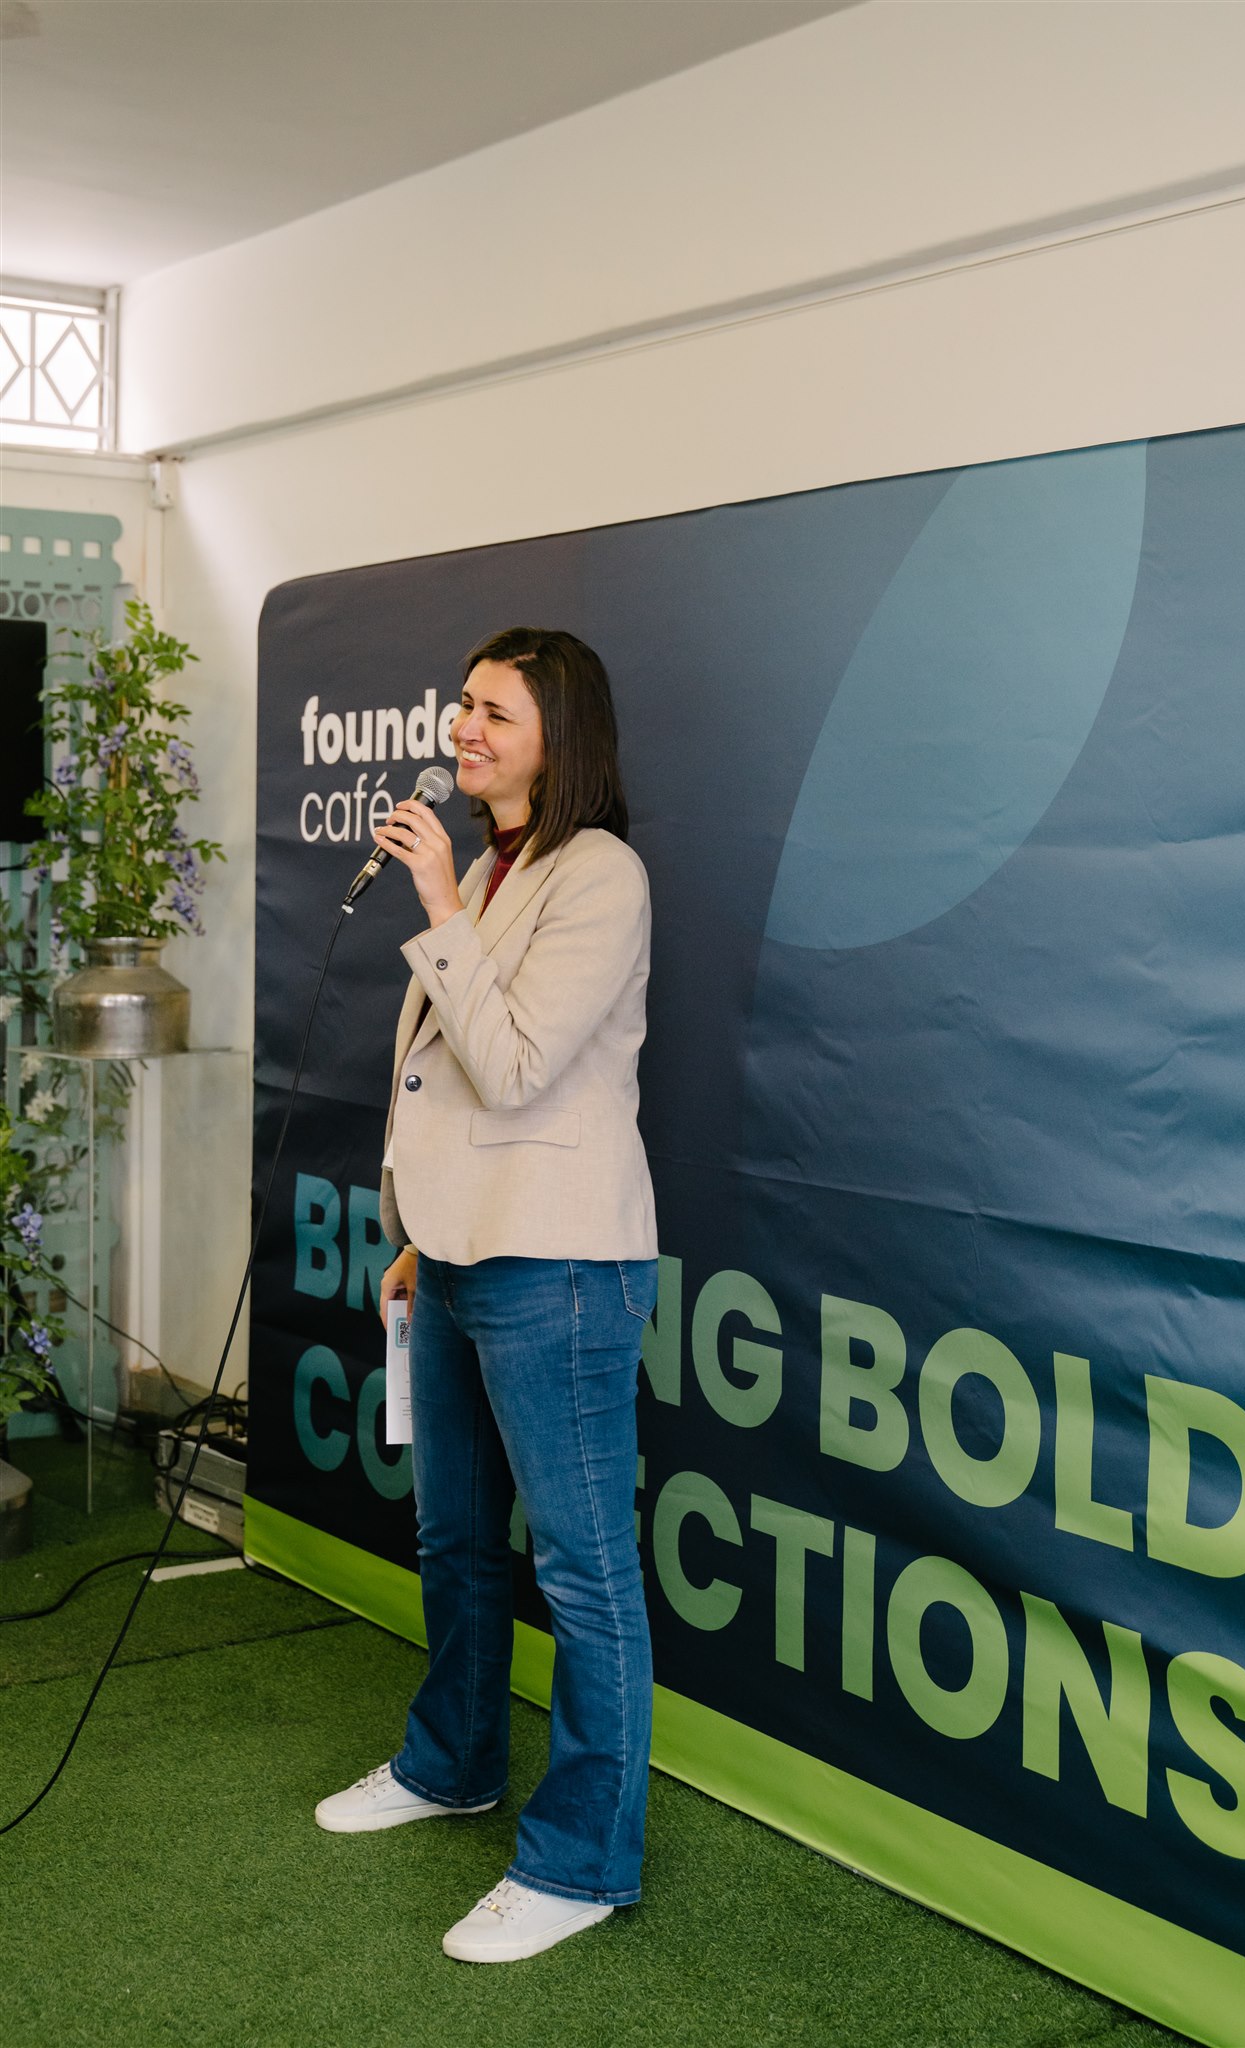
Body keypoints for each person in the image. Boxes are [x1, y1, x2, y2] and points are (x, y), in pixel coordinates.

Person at [314, 627, 658, 1965]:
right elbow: (451, 1088)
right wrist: (416, 1234)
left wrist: (438, 908)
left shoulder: (599, 874)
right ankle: (451, 1762)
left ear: (558, 736)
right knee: (455, 1537)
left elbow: (514, 1068)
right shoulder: (493, 867)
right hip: (459, 1255)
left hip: (558, 1264)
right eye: (463, 704)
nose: (464, 728)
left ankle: (579, 1864)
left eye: (495, 712)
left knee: (582, 1571)